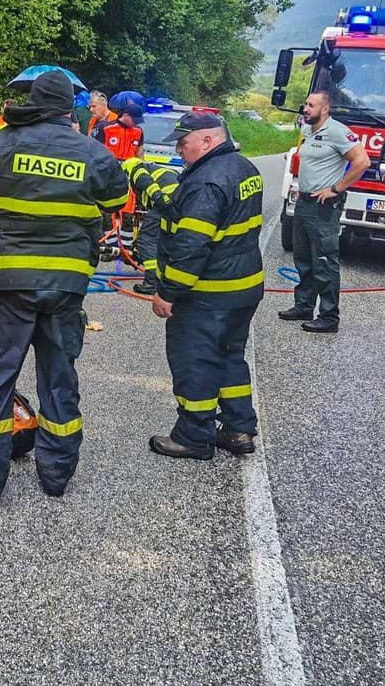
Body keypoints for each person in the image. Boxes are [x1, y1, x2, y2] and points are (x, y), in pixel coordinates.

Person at [0, 70, 129, 510]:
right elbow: (115, 201)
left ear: (33, 99)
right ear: (72, 109)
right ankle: (56, 477)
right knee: (58, 377)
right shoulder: (92, 151)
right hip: (66, 285)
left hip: (11, 281)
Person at [148, 111, 265, 460]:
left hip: (208, 294)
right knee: (230, 357)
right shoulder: (244, 168)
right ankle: (238, 429)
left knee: (195, 360)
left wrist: (168, 292)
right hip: (243, 290)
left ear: (208, 140)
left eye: (183, 144)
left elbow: (191, 247)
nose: (179, 151)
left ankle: (193, 436)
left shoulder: (205, 183)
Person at [278, 90, 371, 334]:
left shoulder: (338, 132)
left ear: (325, 109)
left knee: (324, 262)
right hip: (304, 201)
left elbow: (362, 161)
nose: (305, 108)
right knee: (304, 258)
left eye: (311, 105)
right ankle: (304, 306)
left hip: (323, 207)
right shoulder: (308, 129)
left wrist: (336, 189)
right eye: (305, 103)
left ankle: (329, 317)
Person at [121, 156, 181, 295]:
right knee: (165, 240)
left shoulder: (135, 170)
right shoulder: (156, 169)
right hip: (180, 201)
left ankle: (152, 282)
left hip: (166, 201)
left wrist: (160, 198)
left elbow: (147, 183)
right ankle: (166, 278)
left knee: (146, 238)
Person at [99, 99, 145, 258]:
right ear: (125, 115)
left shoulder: (138, 132)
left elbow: (140, 154)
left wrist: (141, 174)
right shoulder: (106, 128)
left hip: (129, 176)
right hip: (109, 175)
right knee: (107, 212)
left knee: (128, 214)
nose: (136, 124)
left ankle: (125, 250)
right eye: (134, 119)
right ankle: (110, 248)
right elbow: (95, 150)